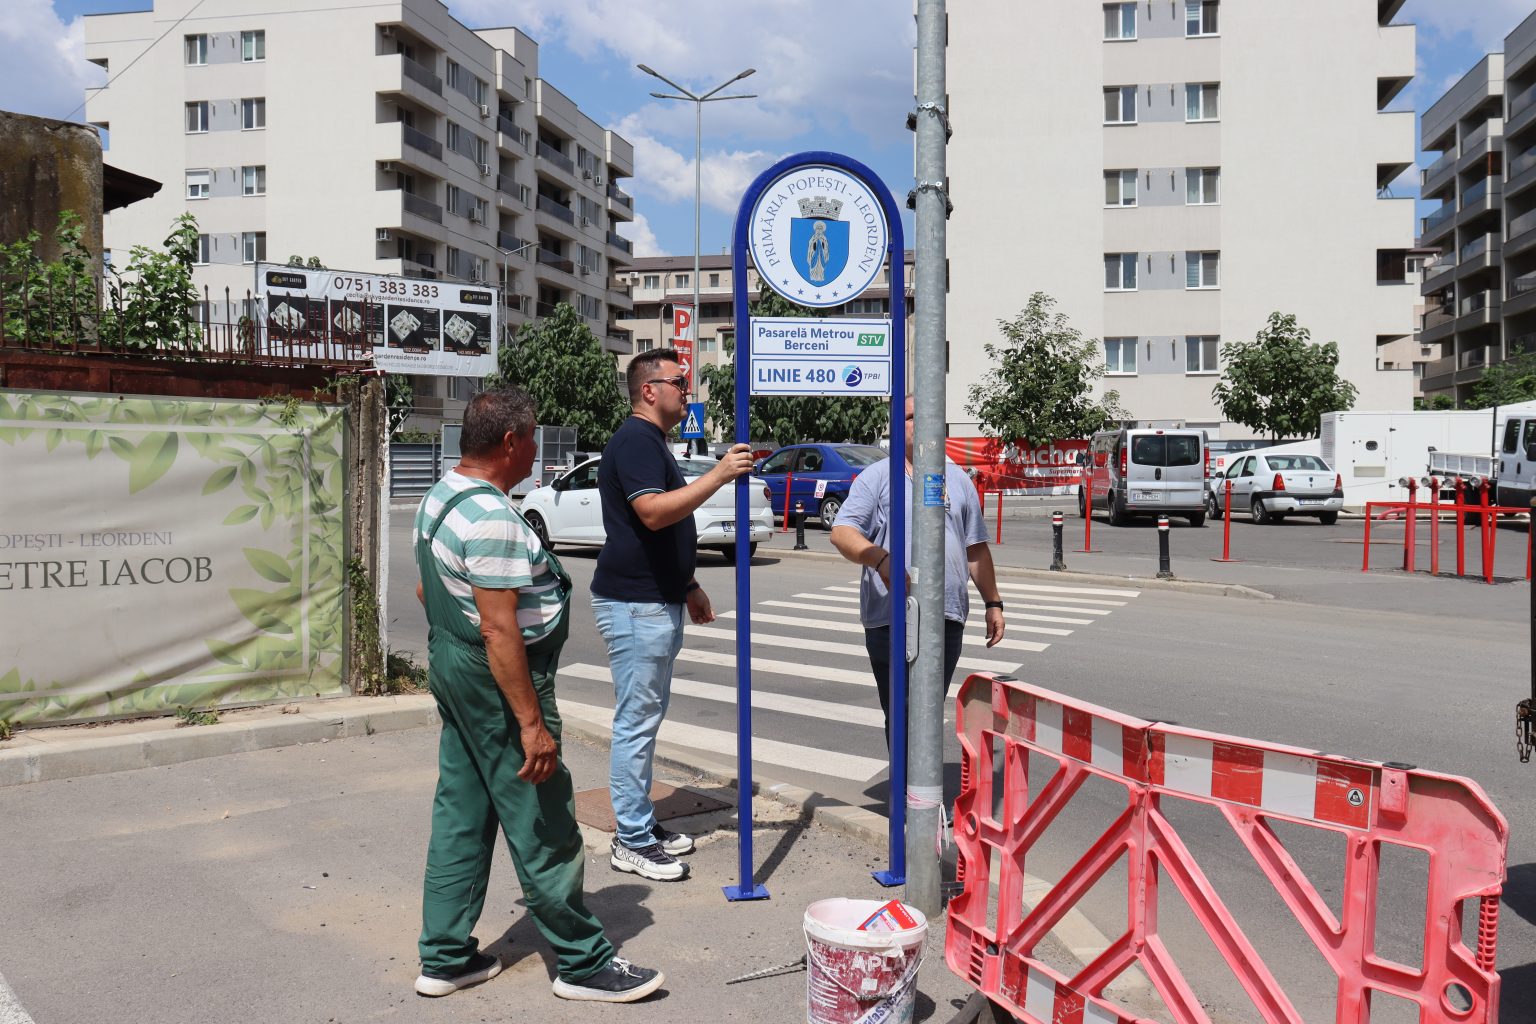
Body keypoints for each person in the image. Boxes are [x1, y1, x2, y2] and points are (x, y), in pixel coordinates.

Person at [412, 387, 662, 1003]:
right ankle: (582, 963)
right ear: (509, 442)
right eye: (530, 439)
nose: (534, 452)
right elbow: (499, 629)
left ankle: (445, 957)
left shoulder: (442, 495)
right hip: (497, 678)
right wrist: (530, 723)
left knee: (462, 814)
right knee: (544, 818)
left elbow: (428, 590)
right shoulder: (493, 518)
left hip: (455, 666)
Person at [591, 347, 754, 882]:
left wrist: (688, 584)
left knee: (646, 718)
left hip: (654, 598)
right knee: (636, 723)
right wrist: (720, 474)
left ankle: (641, 822)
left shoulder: (650, 441)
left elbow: (660, 532)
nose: (688, 391)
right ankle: (631, 840)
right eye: (680, 383)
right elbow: (653, 514)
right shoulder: (636, 440)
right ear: (649, 390)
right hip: (635, 605)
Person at [830, 397, 1006, 744]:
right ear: (896, 427)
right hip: (892, 617)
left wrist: (994, 603)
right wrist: (880, 559)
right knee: (904, 713)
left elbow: (975, 549)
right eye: (912, 417)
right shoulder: (877, 478)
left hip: (946, 616)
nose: (921, 422)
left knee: (928, 712)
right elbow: (842, 532)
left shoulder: (958, 479)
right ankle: (906, 779)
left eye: (928, 415)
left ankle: (918, 777)